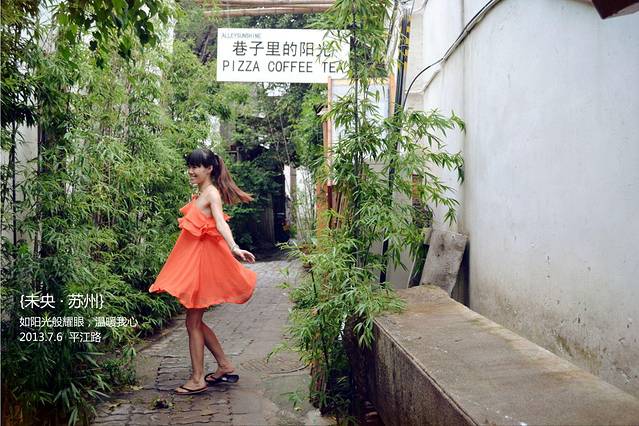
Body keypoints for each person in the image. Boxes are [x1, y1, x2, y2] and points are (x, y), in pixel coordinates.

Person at [148, 148, 257, 395]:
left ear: (209, 168)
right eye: (189, 166)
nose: (191, 171)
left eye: (196, 166)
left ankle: (198, 379)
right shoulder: (202, 193)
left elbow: (220, 223)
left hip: (201, 266)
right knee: (194, 321)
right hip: (196, 263)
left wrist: (234, 247)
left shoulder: (211, 193)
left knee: (193, 321)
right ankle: (224, 365)